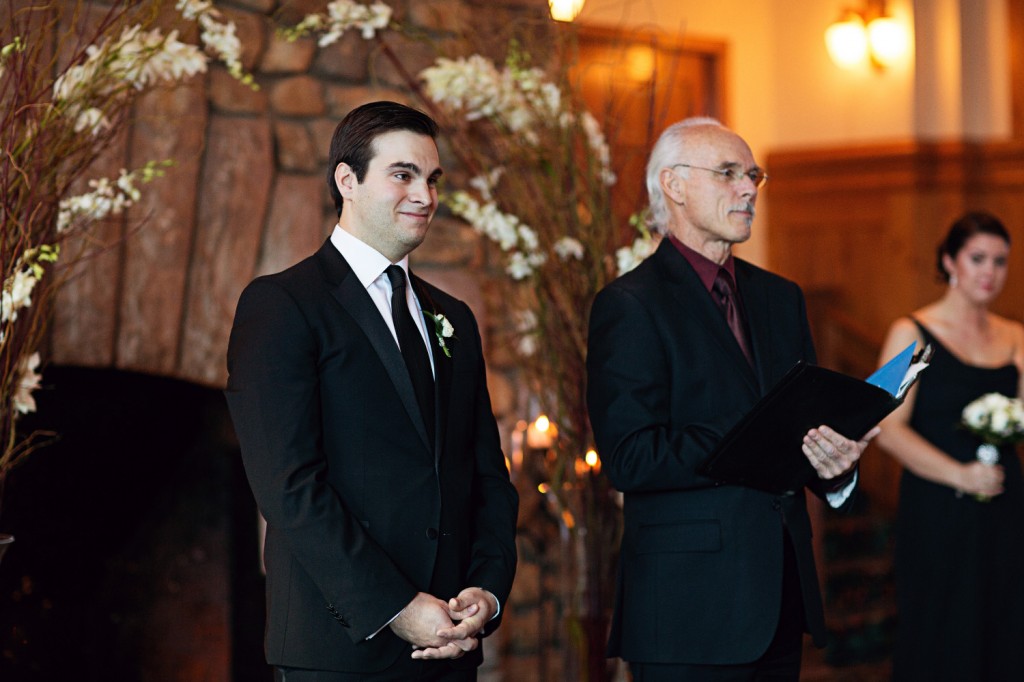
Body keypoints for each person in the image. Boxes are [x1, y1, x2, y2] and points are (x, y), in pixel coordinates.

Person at [225, 101, 518, 681]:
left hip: (448, 645)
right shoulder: (282, 305)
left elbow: (485, 473)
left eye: (432, 179)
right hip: (338, 651)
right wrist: (397, 608)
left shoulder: (452, 316)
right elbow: (288, 486)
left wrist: (485, 589)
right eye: (403, 174)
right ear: (347, 180)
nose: (425, 195)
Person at [586, 117, 877, 680]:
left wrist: (834, 470)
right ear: (673, 185)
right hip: (686, 609)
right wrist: (756, 433)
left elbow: (801, 431)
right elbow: (629, 457)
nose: (748, 189)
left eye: (753, 175)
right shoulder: (630, 304)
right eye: (728, 174)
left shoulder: (781, 297)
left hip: (780, 597)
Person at [875, 211, 1024, 680]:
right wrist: (958, 474)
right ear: (949, 261)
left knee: (1005, 627)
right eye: (977, 258)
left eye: (1000, 261)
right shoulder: (909, 333)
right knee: (942, 630)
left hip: (1004, 504)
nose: (989, 272)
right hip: (937, 507)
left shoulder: (1017, 335)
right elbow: (886, 428)